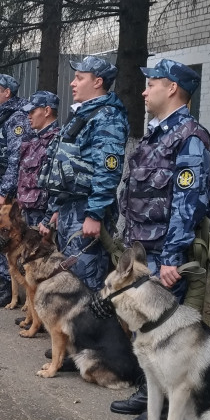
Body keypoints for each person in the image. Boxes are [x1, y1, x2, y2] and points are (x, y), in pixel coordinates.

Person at [109, 59, 210, 420]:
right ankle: (148, 391)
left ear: (172, 88)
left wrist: (171, 257)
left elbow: (188, 203)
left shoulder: (189, 137)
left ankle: (171, 409)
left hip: (164, 255)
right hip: (143, 248)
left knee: (168, 333)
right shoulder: (158, 135)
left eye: (151, 83)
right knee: (146, 327)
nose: (144, 90)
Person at [38, 56, 129, 292]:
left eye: (79, 78)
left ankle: (88, 328)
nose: (72, 83)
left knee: (85, 283)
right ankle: (71, 329)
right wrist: (57, 208)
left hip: (87, 211)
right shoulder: (81, 114)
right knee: (69, 277)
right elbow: (66, 166)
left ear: (98, 82)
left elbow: (108, 170)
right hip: (71, 208)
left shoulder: (107, 117)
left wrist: (95, 214)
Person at [0, 73, 30, 308]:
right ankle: (3, 285)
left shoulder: (16, 118)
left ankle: (12, 290)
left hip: (6, 190)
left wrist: (4, 192)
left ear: (7, 93)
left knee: (6, 239)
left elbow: (15, 158)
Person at [18, 91, 60, 227]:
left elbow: (59, 183)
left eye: (32, 111)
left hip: (45, 216)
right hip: (29, 209)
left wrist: (49, 218)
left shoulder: (57, 140)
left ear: (47, 111)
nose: (28, 116)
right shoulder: (35, 140)